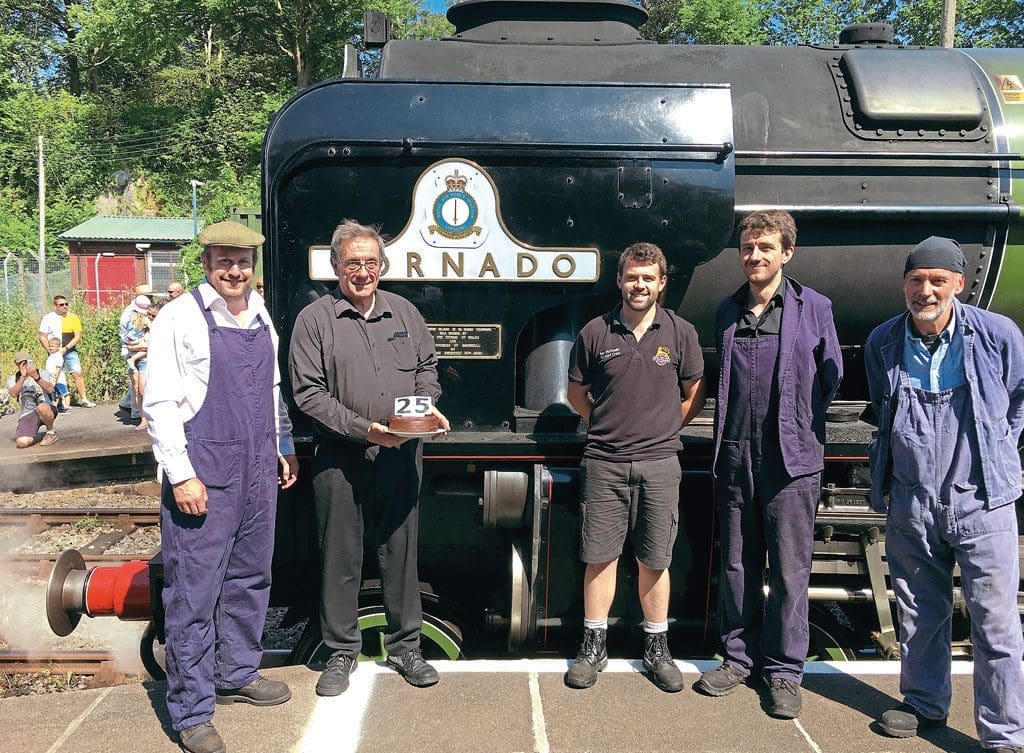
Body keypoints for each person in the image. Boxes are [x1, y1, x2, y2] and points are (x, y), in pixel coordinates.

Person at [143, 220, 299, 753]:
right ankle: (191, 711)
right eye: (224, 261)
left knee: (251, 574)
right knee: (193, 591)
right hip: (204, 468)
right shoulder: (179, 317)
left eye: (243, 262)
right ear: (206, 263)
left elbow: (273, 387)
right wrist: (181, 473)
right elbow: (159, 402)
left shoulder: (260, 315)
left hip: (257, 466)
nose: (235, 271)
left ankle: (237, 671)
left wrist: (283, 443)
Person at [865, 236, 1024, 751]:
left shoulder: (998, 334)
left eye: (937, 280)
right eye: (916, 280)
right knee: (918, 611)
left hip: (982, 499)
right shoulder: (883, 342)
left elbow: (1020, 397)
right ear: (903, 285)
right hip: (913, 498)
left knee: (995, 622)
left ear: (959, 283)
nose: (925, 290)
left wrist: (1003, 451)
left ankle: (1003, 733)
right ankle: (924, 703)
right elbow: (882, 412)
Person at [289, 219, 450, 697]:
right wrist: (366, 431)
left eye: (370, 262)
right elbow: (308, 394)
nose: (363, 271)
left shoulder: (404, 313)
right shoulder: (314, 320)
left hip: (401, 456)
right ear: (337, 266)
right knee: (340, 556)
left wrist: (425, 410)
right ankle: (340, 650)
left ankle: (405, 648)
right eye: (352, 263)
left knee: (401, 555)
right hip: (341, 457)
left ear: (382, 265)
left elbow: (427, 370)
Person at [696, 210, 842, 719]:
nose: (754, 256)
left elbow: (831, 379)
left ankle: (783, 672)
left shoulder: (814, 307)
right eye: (747, 248)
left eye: (764, 247)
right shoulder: (726, 310)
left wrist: (797, 424)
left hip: (791, 458)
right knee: (735, 564)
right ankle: (737, 659)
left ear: (786, 253)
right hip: (736, 454)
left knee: (788, 569)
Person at [563, 241, 705, 693]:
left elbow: (693, 392)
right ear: (619, 281)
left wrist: (661, 428)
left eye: (648, 277)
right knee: (599, 556)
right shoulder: (594, 333)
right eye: (631, 276)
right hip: (604, 461)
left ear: (662, 283)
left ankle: (656, 648)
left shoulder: (681, 333)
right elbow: (576, 395)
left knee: (654, 558)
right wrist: (609, 425)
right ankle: (593, 645)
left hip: (661, 463)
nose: (639, 284)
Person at [38, 294, 95, 407]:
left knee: (77, 373)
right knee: (55, 375)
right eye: (61, 305)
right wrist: (49, 350)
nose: (64, 307)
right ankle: (57, 400)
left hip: (70, 351)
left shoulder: (73, 318)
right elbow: (42, 336)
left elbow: (77, 336)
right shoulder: (48, 318)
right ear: (55, 306)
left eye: (66, 304)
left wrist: (66, 348)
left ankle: (84, 399)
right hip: (54, 353)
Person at [7, 351, 58, 447]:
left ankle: (50, 433)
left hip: (46, 409)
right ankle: (32, 434)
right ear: (17, 364)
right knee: (22, 442)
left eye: (27, 362)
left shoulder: (41, 373)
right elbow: (13, 393)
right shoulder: (13, 378)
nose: (25, 365)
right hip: (28, 414)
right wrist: (23, 377)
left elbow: (50, 389)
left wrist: (36, 377)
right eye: (21, 363)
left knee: (42, 407)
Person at [120, 285, 154, 418]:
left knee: (139, 382)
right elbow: (128, 338)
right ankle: (137, 412)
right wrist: (135, 348)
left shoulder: (144, 310)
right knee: (138, 383)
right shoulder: (130, 314)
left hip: (136, 347)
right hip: (134, 348)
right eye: (148, 296)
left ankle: (129, 404)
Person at [124, 297, 156, 430]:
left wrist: (136, 347)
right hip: (137, 359)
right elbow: (130, 343)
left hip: (148, 360)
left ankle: (151, 417)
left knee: (145, 389)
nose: (150, 317)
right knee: (138, 389)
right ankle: (143, 418)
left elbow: (156, 343)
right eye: (148, 314)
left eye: (153, 315)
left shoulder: (153, 326)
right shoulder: (135, 321)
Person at [44, 337, 70, 413]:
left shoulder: (58, 356)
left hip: (59, 379)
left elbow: (58, 368)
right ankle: (58, 406)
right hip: (51, 378)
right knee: (56, 393)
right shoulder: (51, 355)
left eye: (52, 346)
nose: (50, 348)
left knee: (64, 392)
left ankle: (67, 406)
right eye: (49, 346)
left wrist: (55, 378)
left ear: (58, 347)